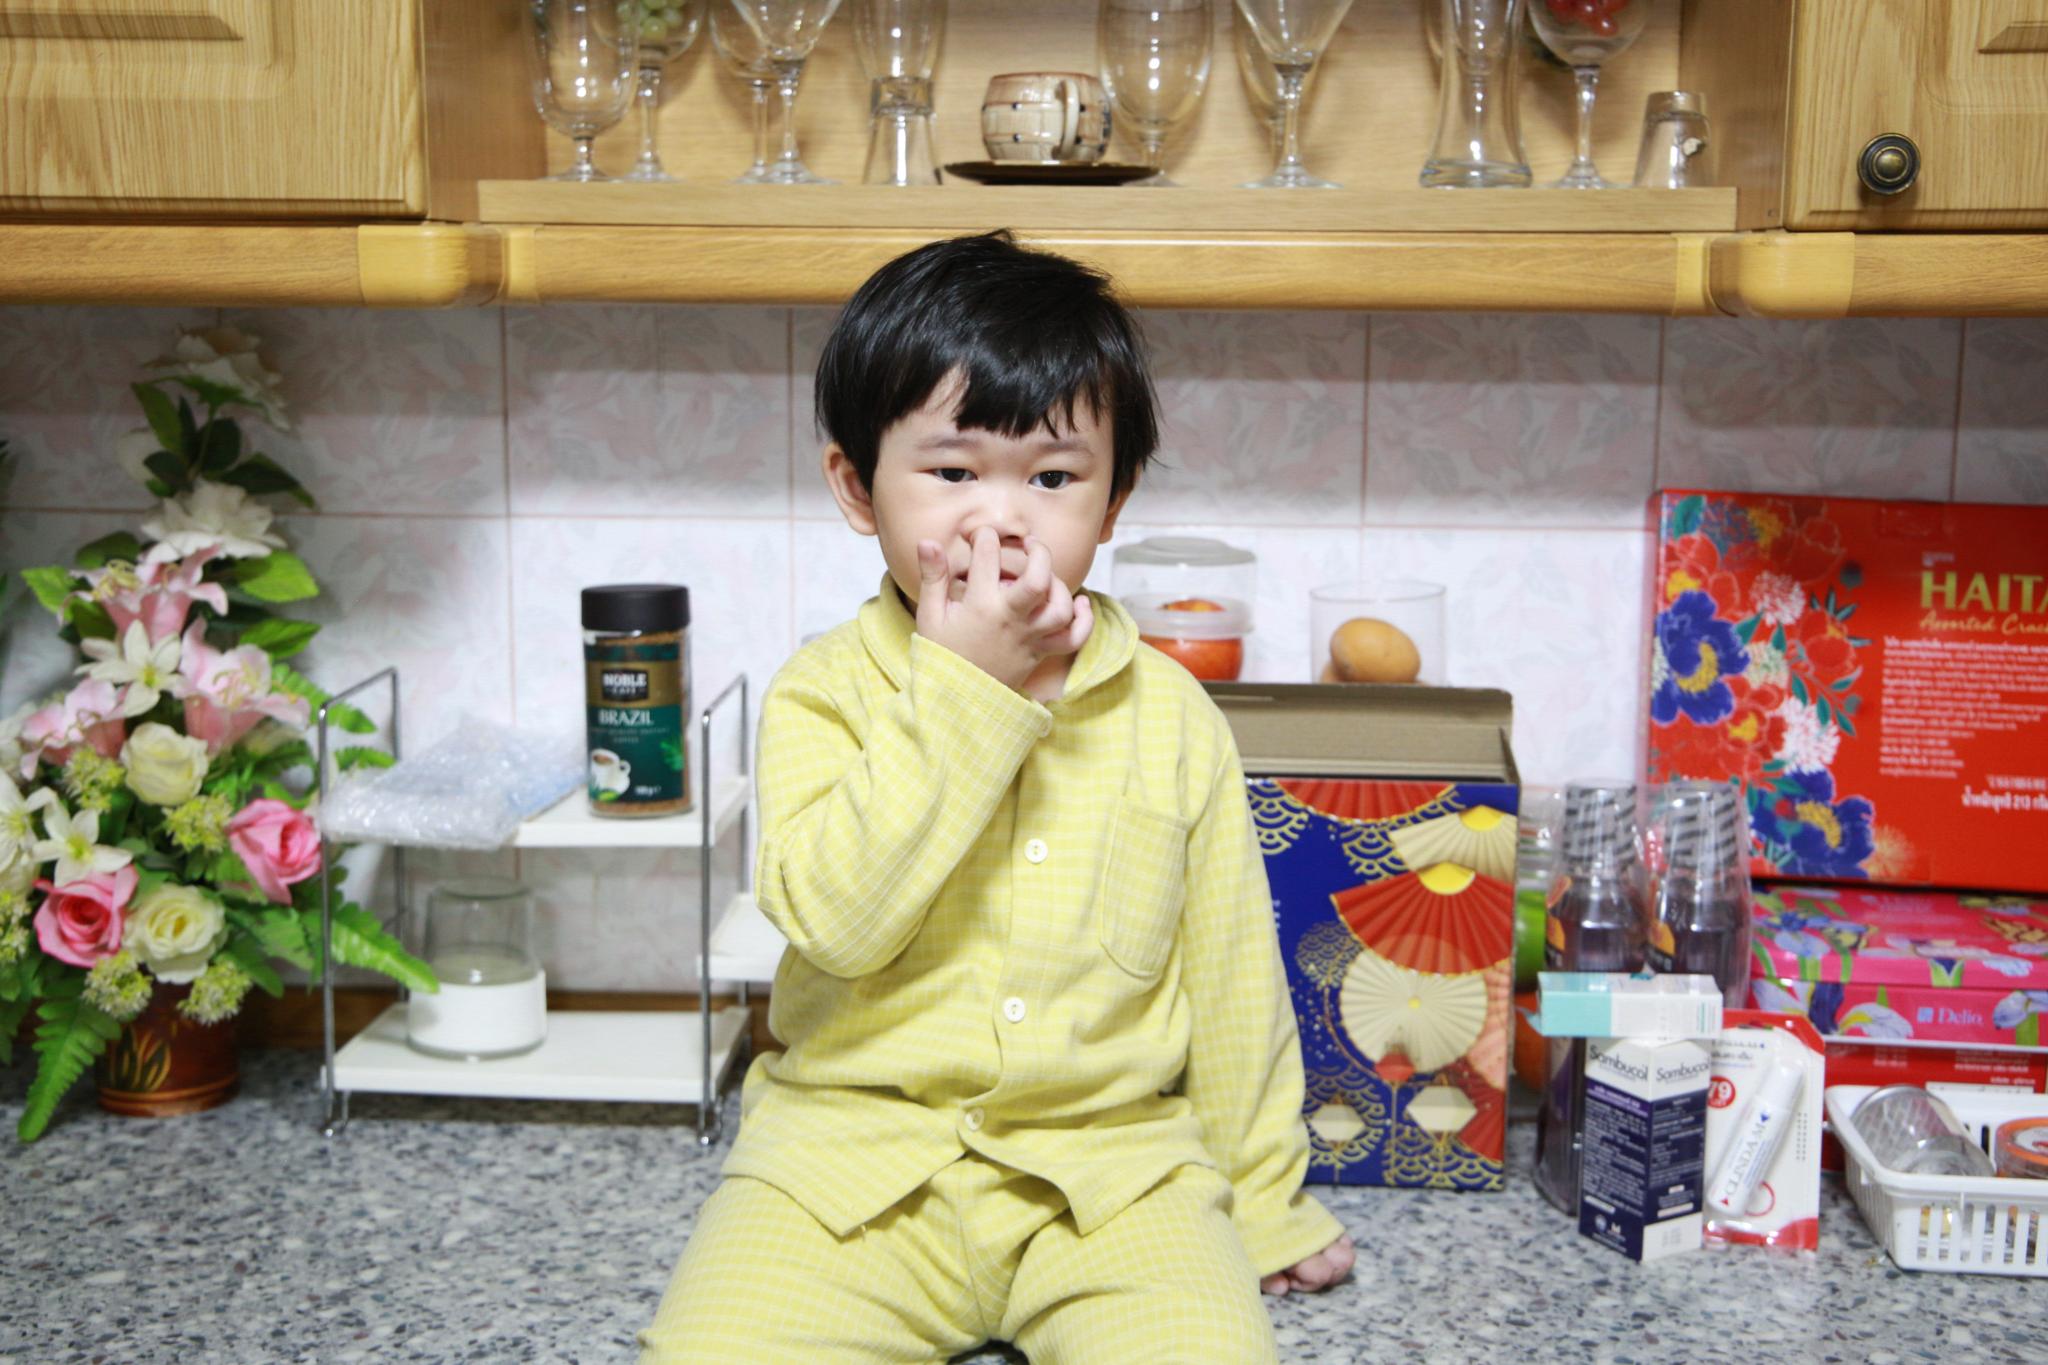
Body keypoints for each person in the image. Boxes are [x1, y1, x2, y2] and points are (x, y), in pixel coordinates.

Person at [640, 231, 1353, 1365]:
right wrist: (964, 684)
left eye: (1054, 478)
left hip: (1112, 1174)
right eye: (953, 473)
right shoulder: (822, 692)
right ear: (856, 488)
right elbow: (835, 922)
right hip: (842, 1168)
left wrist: (1264, 1201)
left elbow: (1229, 979)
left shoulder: (1171, 713)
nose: (1003, 520)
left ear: (1113, 502)